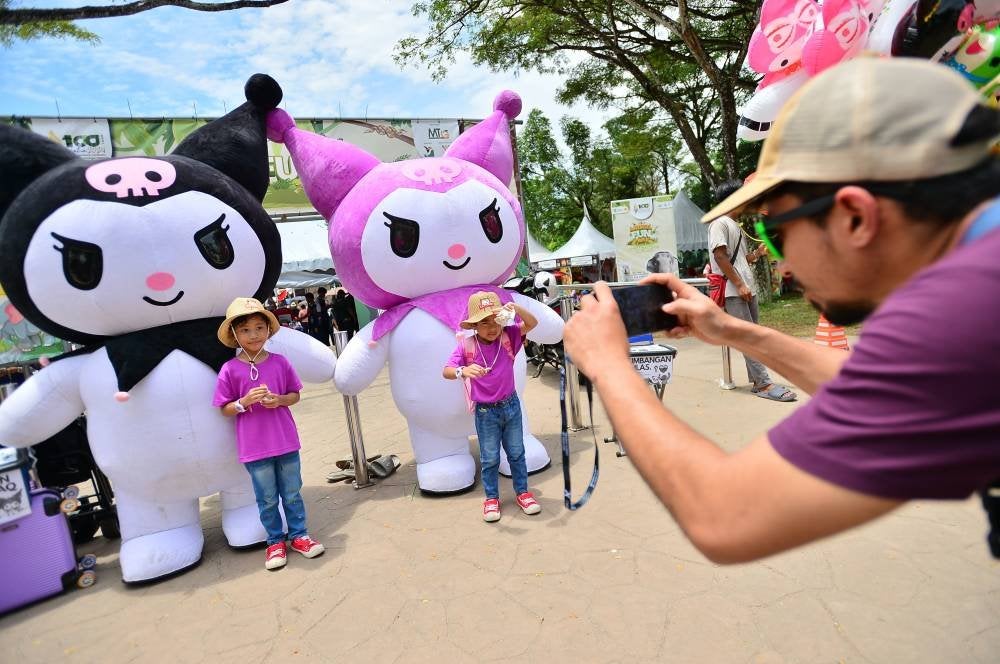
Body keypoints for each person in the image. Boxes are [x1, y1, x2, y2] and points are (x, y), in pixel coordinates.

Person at [563, 57, 1000, 564]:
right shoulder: (975, 271)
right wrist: (732, 330)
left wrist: (608, 365)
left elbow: (726, 514)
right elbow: (869, 387)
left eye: (775, 230)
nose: (779, 263)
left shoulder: (962, 311)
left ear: (855, 215)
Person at [213, 297, 325, 570]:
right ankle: (275, 541)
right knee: (265, 498)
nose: (253, 335)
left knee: (292, 493)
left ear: (268, 330)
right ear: (235, 335)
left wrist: (280, 400)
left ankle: (299, 536)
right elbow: (224, 409)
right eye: (246, 330)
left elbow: (295, 394)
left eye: (259, 328)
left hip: (286, 441)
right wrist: (244, 402)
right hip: (254, 447)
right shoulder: (229, 369)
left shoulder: (280, 362)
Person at [443, 291, 541, 522]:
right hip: (486, 412)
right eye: (484, 322)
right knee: (489, 458)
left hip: (511, 406)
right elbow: (446, 371)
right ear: (474, 325)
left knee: (517, 453)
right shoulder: (467, 346)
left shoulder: (509, 336)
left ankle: (523, 493)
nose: (491, 327)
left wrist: (515, 309)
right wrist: (462, 371)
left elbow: (532, 323)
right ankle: (491, 498)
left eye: (495, 319)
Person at [708, 183, 797, 402]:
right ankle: (764, 383)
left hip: (745, 287)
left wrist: (756, 254)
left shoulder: (734, 225)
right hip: (734, 289)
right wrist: (739, 285)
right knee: (749, 337)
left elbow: (738, 260)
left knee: (753, 335)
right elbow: (720, 257)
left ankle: (758, 380)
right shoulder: (719, 222)